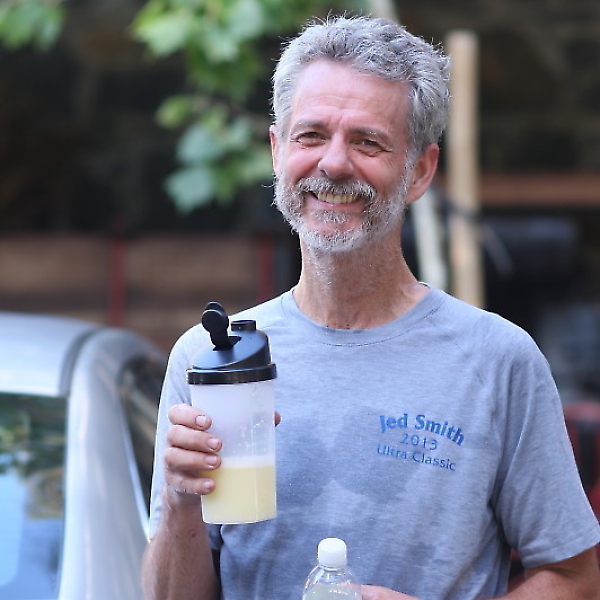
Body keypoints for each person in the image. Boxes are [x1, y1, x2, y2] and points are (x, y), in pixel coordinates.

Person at [142, 15, 600, 600]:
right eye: (311, 135)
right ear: (278, 152)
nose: (334, 164)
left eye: (368, 142)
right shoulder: (209, 360)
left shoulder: (497, 360)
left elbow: (575, 579)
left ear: (420, 171)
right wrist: (181, 500)